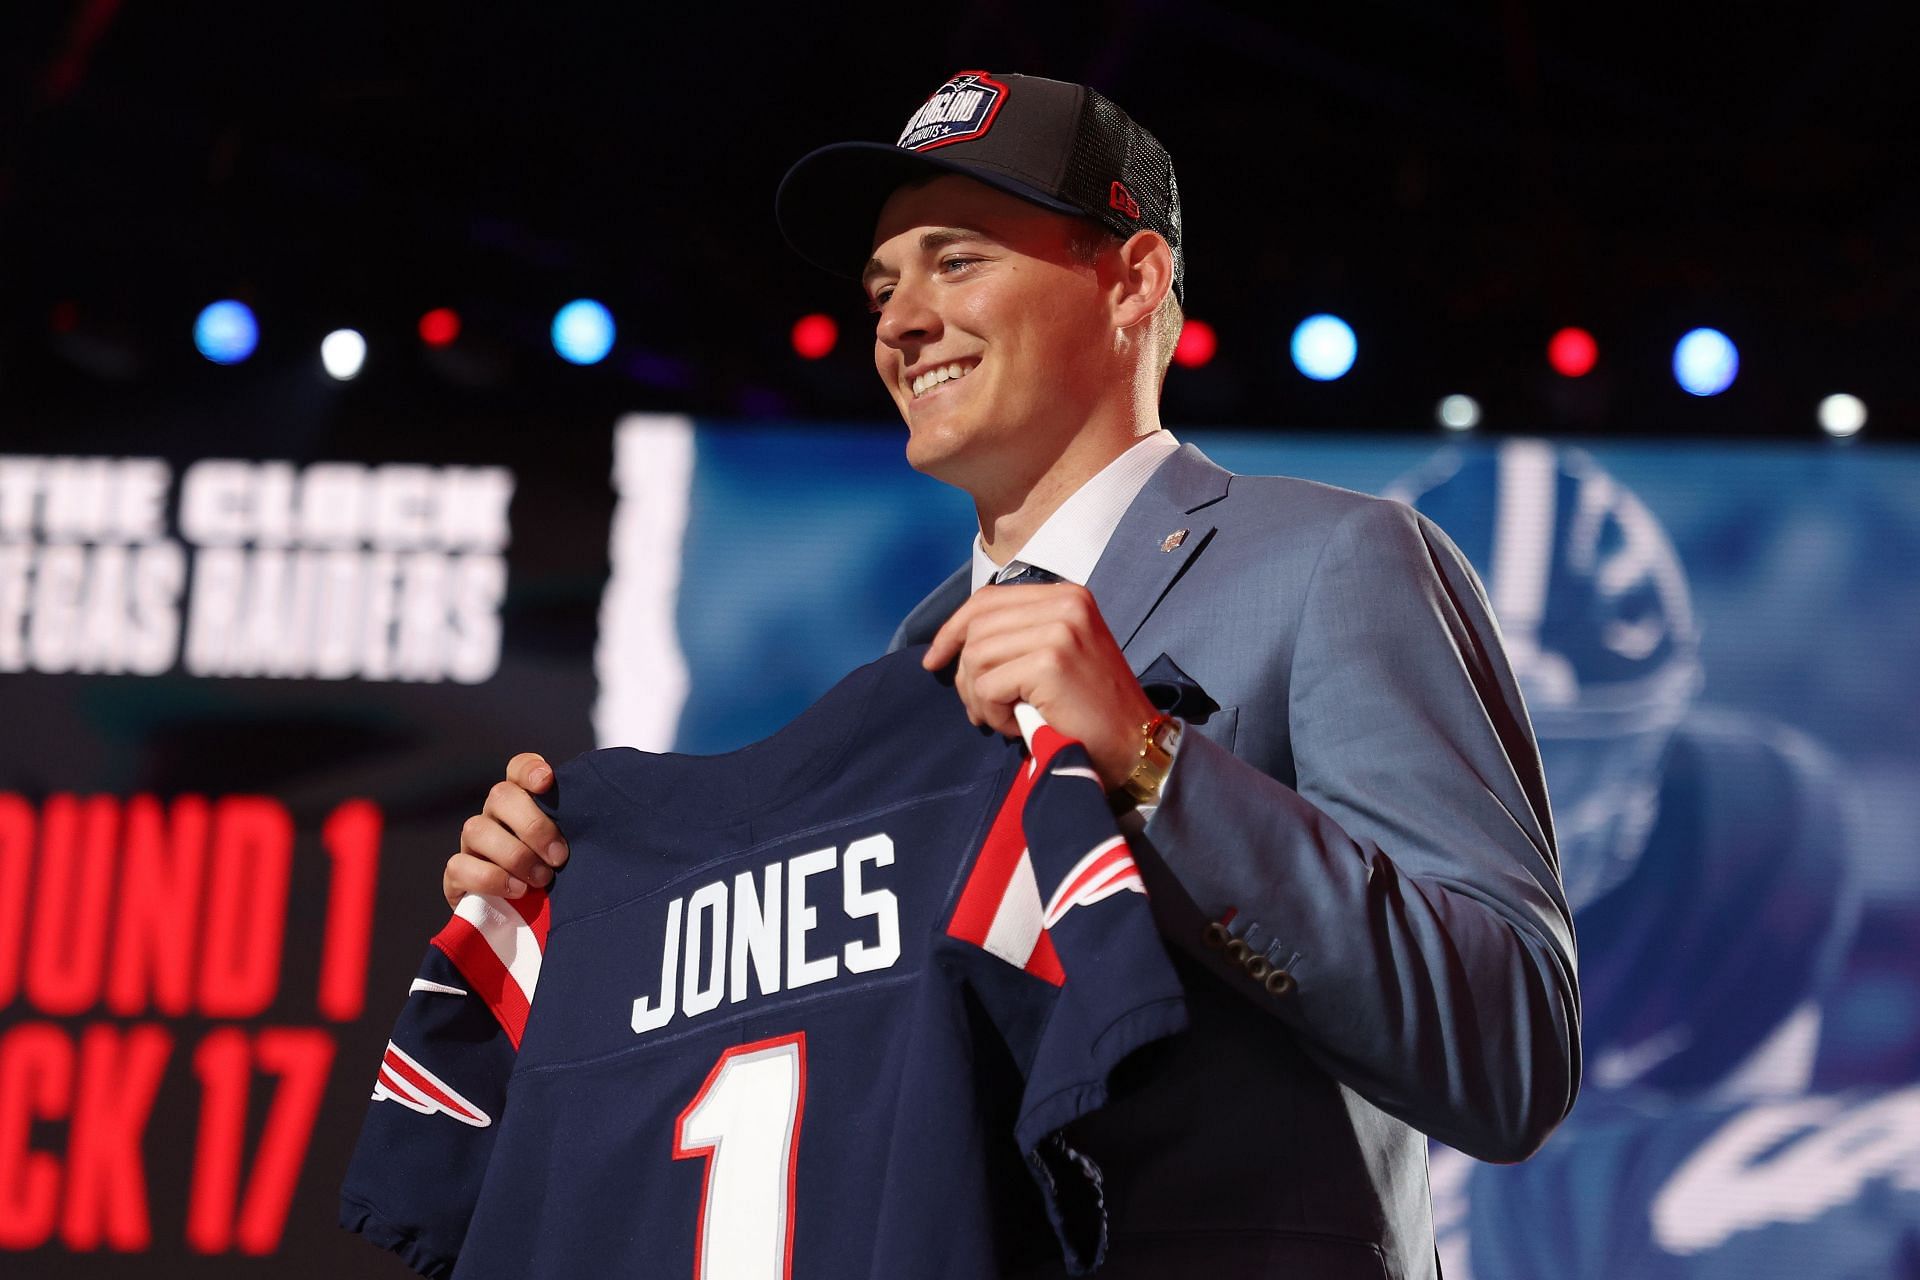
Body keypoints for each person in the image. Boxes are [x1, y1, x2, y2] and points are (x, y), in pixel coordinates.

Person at [444, 70, 1579, 1278]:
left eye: (957, 259)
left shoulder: (1338, 560)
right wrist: (586, 930)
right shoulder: (906, 669)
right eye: (884, 284)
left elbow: (1509, 1046)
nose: (899, 320)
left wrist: (1150, 763)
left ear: (1134, 281)